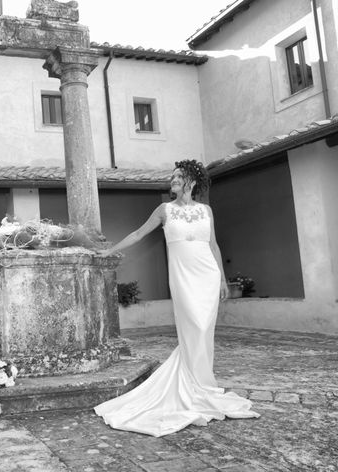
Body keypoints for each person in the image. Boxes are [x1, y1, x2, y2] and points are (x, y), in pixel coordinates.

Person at [94, 159, 259, 437]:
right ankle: (193, 386)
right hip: (183, 278)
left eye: (178, 177)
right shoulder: (164, 210)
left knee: (205, 328)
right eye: (172, 177)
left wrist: (221, 278)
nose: (172, 181)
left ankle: (202, 384)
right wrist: (108, 252)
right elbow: (137, 233)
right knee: (193, 324)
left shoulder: (206, 210)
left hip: (207, 274)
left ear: (191, 182)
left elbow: (214, 245)